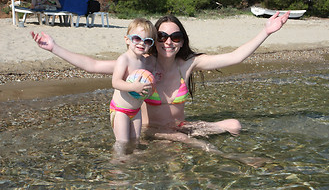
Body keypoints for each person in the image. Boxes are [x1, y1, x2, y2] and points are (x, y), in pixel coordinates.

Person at [31, 12, 289, 166]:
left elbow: (235, 57)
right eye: (162, 37)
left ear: (182, 41)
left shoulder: (188, 64)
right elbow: (93, 65)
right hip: (150, 131)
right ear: (154, 40)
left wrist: (265, 31)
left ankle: (195, 146)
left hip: (179, 126)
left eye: (175, 37)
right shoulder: (141, 64)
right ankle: (236, 159)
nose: (168, 42)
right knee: (183, 141)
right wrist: (54, 47)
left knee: (234, 125)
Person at [109, 18, 156, 155]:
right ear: (127, 40)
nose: (142, 43)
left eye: (147, 41)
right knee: (122, 143)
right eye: (137, 38)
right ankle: (117, 165)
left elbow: (148, 78)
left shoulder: (145, 62)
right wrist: (134, 87)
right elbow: (116, 82)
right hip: (120, 111)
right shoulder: (124, 59)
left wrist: (154, 80)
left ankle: (133, 169)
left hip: (136, 111)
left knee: (135, 141)